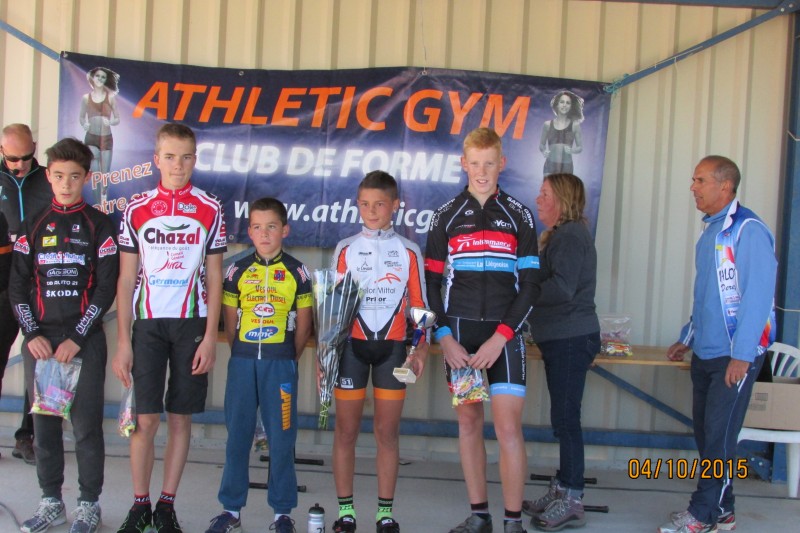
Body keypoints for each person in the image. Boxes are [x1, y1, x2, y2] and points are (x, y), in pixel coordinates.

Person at [112, 123, 227, 533]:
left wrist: (211, 336)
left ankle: (166, 505)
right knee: (145, 420)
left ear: (195, 159)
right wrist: (123, 341)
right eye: (170, 156)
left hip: (191, 323)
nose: (178, 165)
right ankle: (140, 503)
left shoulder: (211, 208)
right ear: (156, 159)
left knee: (180, 418)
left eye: (186, 156)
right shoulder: (135, 208)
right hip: (146, 325)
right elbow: (126, 280)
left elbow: (215, 277)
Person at [425, 128, 540, 533]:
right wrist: (444, 338)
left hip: (502, 341)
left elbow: (530, 286)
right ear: (463, 163)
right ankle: (479, 515)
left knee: (508, 427)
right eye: (475, 163)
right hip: (461, 341)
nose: (482, 171)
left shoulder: (519, 215)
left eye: (490, 162)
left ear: (502, 164)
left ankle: (512, 522)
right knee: (469, 424)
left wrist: (502, 336)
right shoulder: (445, 216)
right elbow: (430, 286)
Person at [658, 156, 777, 533]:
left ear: (724, 186)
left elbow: (758, 299)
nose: (693, 187)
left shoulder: (748, 230)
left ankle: (702, 514)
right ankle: (723, 512)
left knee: (719, 440)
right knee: (709, 436)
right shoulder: (710, 232)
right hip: (707, 352)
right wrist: (687, 338)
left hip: (734, 357)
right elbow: (707, 295)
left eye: (700, 180)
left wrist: (742, 356)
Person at [9, 138, 119, 533]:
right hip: (41, 341)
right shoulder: (32, 223)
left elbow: (106, 289)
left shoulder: (101, 223)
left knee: (87, 426)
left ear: (87, 177)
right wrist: (31, 333)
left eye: (75, 177)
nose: (66, 184)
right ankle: (50, 501)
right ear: (49, 175)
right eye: (58, 176)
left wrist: (77, 337)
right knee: (45, 426)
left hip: (84, 340)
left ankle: (89, 506)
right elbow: (17, 288)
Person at [205, 197, 313, 533]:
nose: (264, 233)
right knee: (237, 436)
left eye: (271, 227)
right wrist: (244, 353)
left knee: (281, 438)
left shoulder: (298, 271)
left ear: (284, 230)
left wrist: (286, 358)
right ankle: (231, 510)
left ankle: (282, 513)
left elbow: (305, 324)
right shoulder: (236, 270)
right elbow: (230, 322)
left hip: (280, 365)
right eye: (257, 227)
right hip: (243, 363)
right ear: (249, 231)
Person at [329, 170, 429, 533]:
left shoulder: (408, 251)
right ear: (357, 205)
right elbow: (333, 311)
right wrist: (326, 357)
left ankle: (385, 513)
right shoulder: (345, 248)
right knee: (346, 431)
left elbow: (419, 306)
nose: (371, 212)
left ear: (395, 206)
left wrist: (419, 349)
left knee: (387, 433)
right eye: (365, 204)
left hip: (392, 352)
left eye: (380, 204)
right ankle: (345, 512)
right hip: (351, 351)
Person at [521, 174, 599, 532]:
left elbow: (563, 289)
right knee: (562, 418)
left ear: (562, 200)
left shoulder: (568, 236)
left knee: (566, 420)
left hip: (570, 337)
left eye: (545, 194)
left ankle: (572, 497)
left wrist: (524, 294)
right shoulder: (562, 236)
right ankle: (563, 486)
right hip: (560, 337)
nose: (538, 199)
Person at [1, 123, 53, 465]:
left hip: (40, 278)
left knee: (39, 361)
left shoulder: (51, 177)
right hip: (3, 276)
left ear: (35, 147)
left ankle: (28, 436)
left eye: (25, 157)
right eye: (11, 159)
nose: (19, 164)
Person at [78, 67, 120, 207]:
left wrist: (111, 122)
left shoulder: (111, 98)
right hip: (91, 137)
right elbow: (81, 117)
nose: (100, 79)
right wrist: (84, 124)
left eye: (103, 77)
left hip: (106, 137)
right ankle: (97, 203)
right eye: (98, 76)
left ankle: (104, 198)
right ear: (93, 78)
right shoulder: (86, 98)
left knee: (105, 173)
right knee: (95, 170)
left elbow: (117, 118)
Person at [539, 90, 583, 177]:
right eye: (562, 102)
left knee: (564, 191)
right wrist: (544, 151)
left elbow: (580, 147)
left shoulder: (575, 125)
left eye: (568, 103)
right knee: (548, 190)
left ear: (571, 106)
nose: (564, 105)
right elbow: (541, 144)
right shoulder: (547, 124)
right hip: (550, 165)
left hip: (566, 166)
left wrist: (572, 150)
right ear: (557, 105)